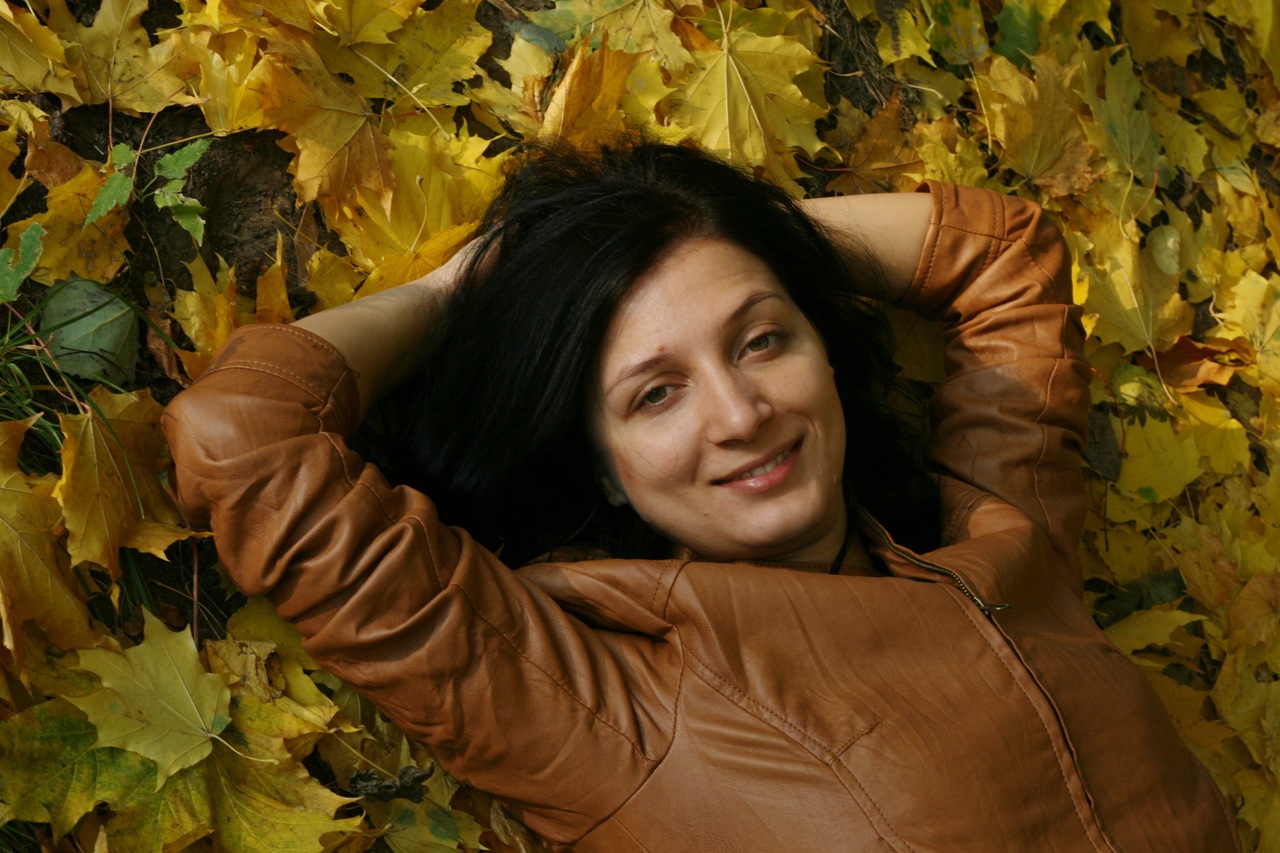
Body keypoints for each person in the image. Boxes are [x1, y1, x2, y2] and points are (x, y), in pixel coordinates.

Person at [163, 142, 1237, 851]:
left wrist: (706, 229)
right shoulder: (608, 712)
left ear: (822, 350)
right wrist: (472, 287)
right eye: (656, 392)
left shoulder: (1006, 544)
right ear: (602, 466)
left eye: (761, 339)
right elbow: (246, 438)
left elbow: (1003, 256)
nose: (739, 413)